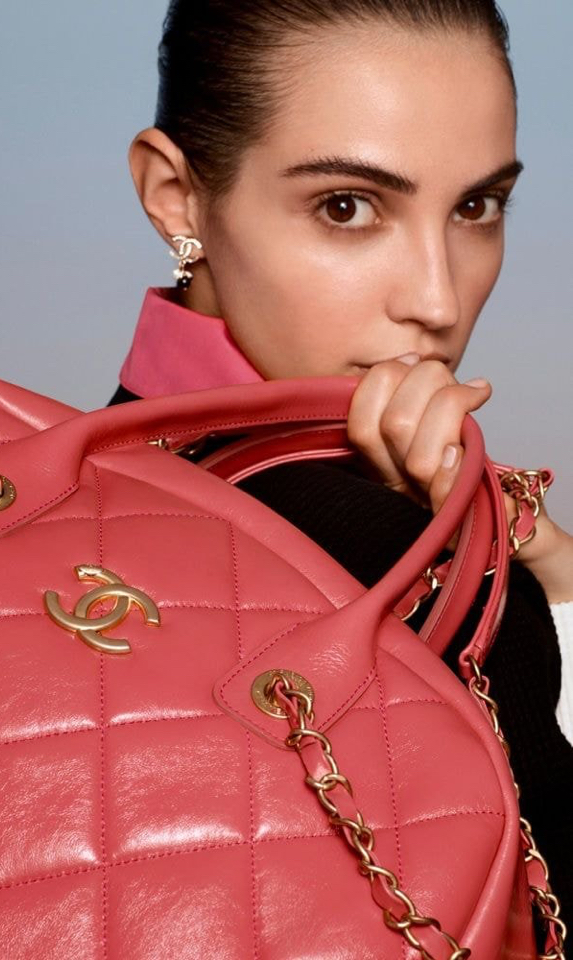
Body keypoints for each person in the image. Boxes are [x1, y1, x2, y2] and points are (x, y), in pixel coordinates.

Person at [109, 0, 573, 927]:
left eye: (476, 207)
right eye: (347, 207)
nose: (437, 300)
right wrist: (547, 596)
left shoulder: (20, 518)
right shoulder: (432, 584)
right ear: (177, 196)